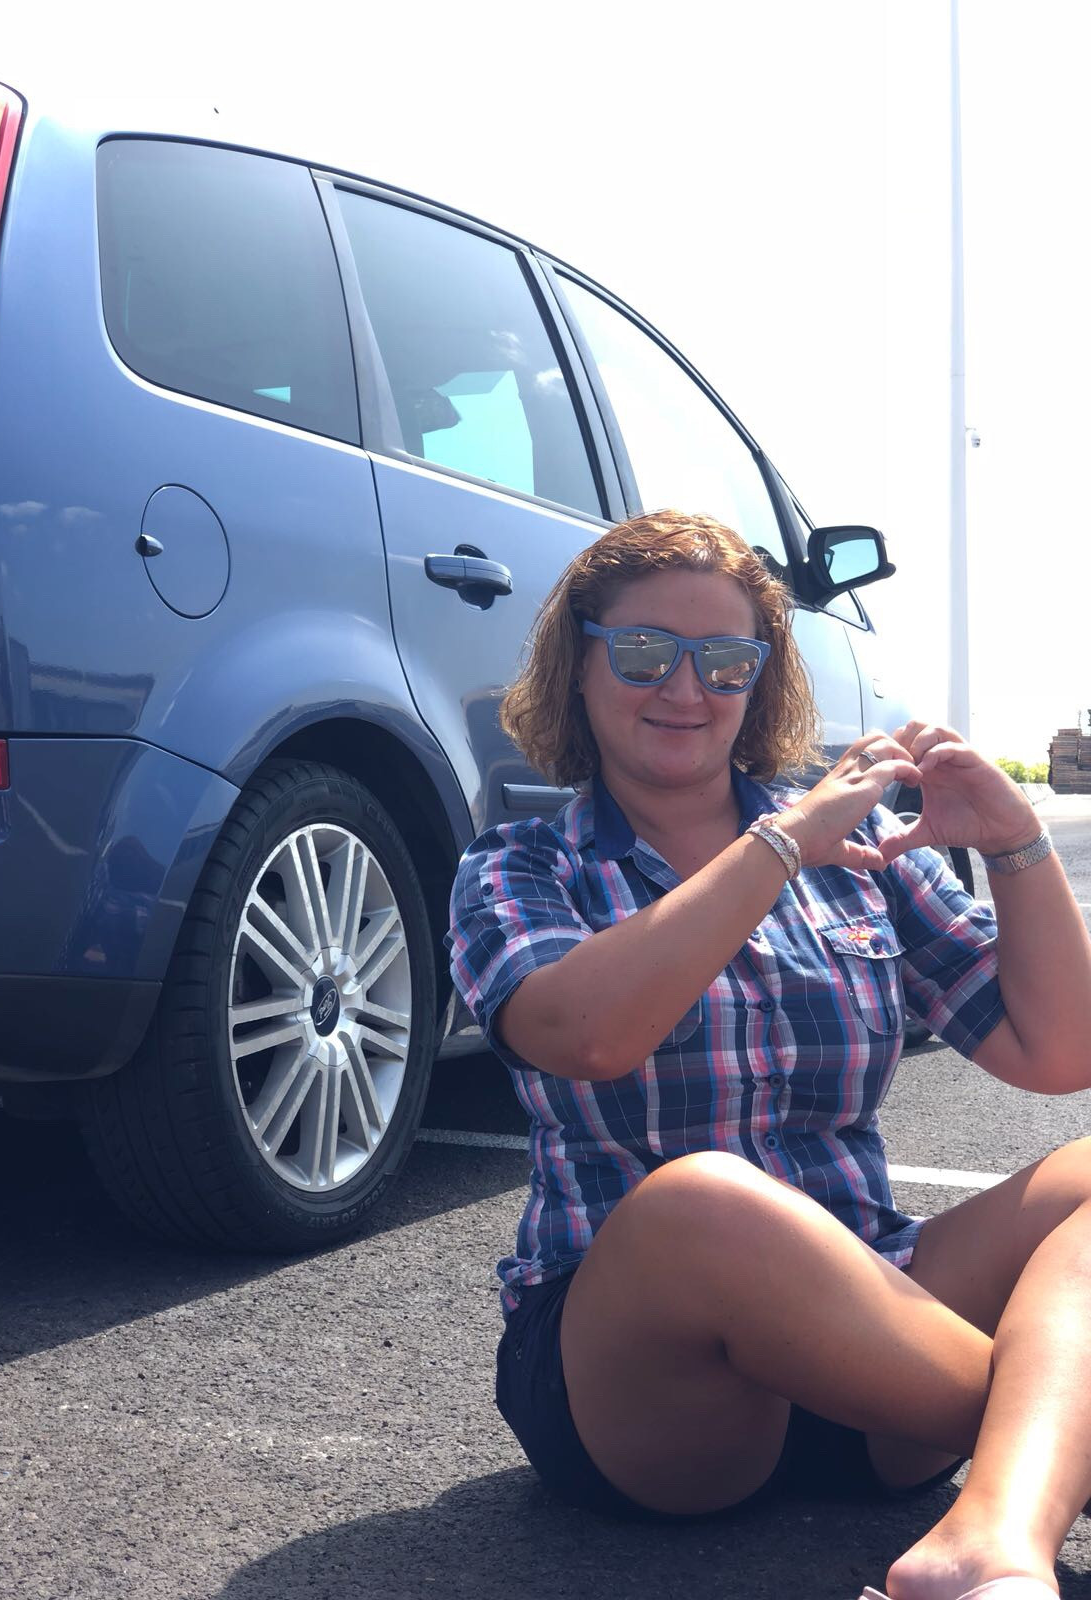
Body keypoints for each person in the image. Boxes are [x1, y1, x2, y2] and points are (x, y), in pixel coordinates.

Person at [447, 511, 1091, 1600]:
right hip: (649, 1390)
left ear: (761, 680)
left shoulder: (862, 849)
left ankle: (991, 1541)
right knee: (701, 1201)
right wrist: (779, 845)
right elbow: (586, 1035)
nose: (685, 688)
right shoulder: (520, 867)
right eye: (643, 652)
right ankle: (1053, 1432)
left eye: (724, 661)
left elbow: (1060, 1050)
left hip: (880, 1337)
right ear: (579, 666)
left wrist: (1015, 842)